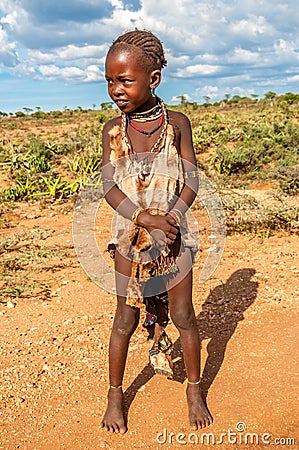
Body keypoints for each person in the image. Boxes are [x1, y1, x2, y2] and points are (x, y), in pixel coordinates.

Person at [100, 29, 213, 434]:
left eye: (125, 80)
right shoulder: (114, 129)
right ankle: (116, 395)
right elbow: (109, 186)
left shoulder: (178, 123)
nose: (116, 89)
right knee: (123, 321)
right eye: (110, 80)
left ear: (154, 79)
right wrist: (145, 219)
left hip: (176, 235)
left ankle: (195, 390)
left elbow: (193, 179)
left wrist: (173, 218)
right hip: (130, 238)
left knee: (183, 313)